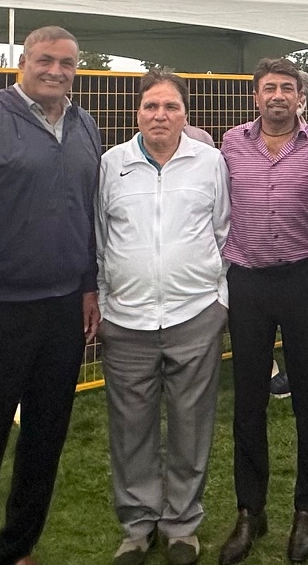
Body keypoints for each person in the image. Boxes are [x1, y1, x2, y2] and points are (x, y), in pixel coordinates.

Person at [0, 25, 103, 565]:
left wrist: (88, 286)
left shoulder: (84, 124)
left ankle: (15, 550)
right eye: (45, 60)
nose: (56, 70)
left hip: (63, 310)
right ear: (23, 61)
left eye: (67, 63)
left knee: (45, 440)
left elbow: (85, 214)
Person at [97, 71, 229, 565]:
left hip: (194, 315)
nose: (160, 115)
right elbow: (100, 238)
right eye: (151, 106)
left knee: (191, 426)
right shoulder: (112, 164)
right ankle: (137, 526)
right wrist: (106, 302)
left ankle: (181, 525)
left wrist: (219, 300)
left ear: (185, 115)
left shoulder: (210, 162)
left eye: (170, 107)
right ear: (137, 112)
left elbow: (224, 230)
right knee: (131, 428)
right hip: (126, 321)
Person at [216, 57, 308, 565]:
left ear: (301, 97)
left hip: (303, 280)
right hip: (247, 282)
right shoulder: (231, 144)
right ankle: (251, 510)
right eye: (270, 88)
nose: (278, 96)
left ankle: (307, 509)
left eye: (287, 88)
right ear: (256, 96)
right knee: (249, 400)